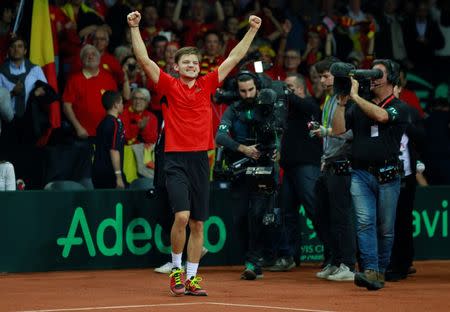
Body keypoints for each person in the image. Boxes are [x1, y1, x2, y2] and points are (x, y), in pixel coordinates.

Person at [127, 10, 261, 296]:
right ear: (176, 67)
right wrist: (135, 28)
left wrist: (251, 30)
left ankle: (193, 277)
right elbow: (144, 60)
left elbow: (234, 58)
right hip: (174, 159)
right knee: (182, 217)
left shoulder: (207, 84)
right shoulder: (169, 85)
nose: (191, 65)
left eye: (194, 62)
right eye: (185, 62)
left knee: (199, 223)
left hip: (201, 159)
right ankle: (176, 269)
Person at [333, 59, 409, 290]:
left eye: (379, 74)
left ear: (392, 79)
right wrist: (341, 100)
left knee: (385, 228)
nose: (373, 77)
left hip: (388, 175)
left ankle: (381, 271)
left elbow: (382, 116)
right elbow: (337, 130)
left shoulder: (399, 106)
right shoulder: (357, 105)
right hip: (360, 173)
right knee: (365, 223)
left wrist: (356, 98)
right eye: (372, 73)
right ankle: (370, 270)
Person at [215, 72, 275, 280]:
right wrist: (243, 149)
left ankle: (254, 261)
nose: (248, 94)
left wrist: (276, 149)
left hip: (264, 168)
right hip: (239, 169)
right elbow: (220, 136)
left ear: (257, 87)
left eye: (251, 89)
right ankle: (251, 258)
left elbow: (280, 131)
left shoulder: (268, 106)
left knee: (258, 214)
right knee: (239, 217)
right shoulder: (233, 109)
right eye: (243, 91)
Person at [268, 73, 322, 272]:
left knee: (314, 209)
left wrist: (284, 92)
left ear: (301, 88)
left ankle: (335, 255)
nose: (285, 92)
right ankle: (289, 256)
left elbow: (309, 108)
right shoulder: (287, 112)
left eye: (290, 88)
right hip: (289, 168)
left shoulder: (309, 104)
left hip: (308, 166)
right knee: (286, 213)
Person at [310, 59, 356, 282]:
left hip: (343, 164)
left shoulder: (350, 100)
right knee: (321, 216)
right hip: (327, 163)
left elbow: (350, 133)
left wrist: (326, 131)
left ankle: (347, 263)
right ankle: (335, 261)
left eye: (326, 75)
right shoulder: (328, 100)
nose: (322, 80)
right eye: (320, 76)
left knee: (341, 217)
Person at [92, 90, 125, 189]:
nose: (123, 105)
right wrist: (118, 176)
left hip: (97, 172)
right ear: (116, 105)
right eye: (122, 103)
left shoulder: (102, 123)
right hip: (110, 174)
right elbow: (114, 149)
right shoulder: (114, 123)